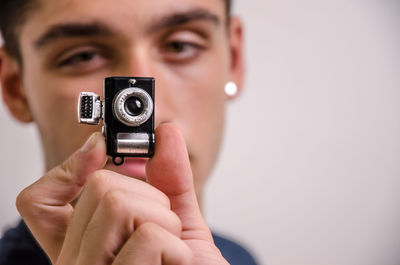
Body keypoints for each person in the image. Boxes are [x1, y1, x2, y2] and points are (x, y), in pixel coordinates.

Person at [0, 0, 258, 264]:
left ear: (233, 58)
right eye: (83, 56)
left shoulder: (239, 258)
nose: (148, 113)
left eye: (180, 46)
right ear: (15, 87)